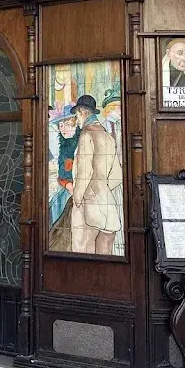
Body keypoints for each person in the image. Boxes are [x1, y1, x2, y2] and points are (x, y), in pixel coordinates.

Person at [70, 95, 122, 255]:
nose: (76, 120)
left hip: (87, 204)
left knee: (82, 253)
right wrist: (101, 189)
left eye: (76, 115)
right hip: (107, 205)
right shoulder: (107, 136)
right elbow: (118, 175)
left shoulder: (86, 135)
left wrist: (78, 197)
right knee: (104, 255)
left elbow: (84, 172)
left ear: (82, 112)